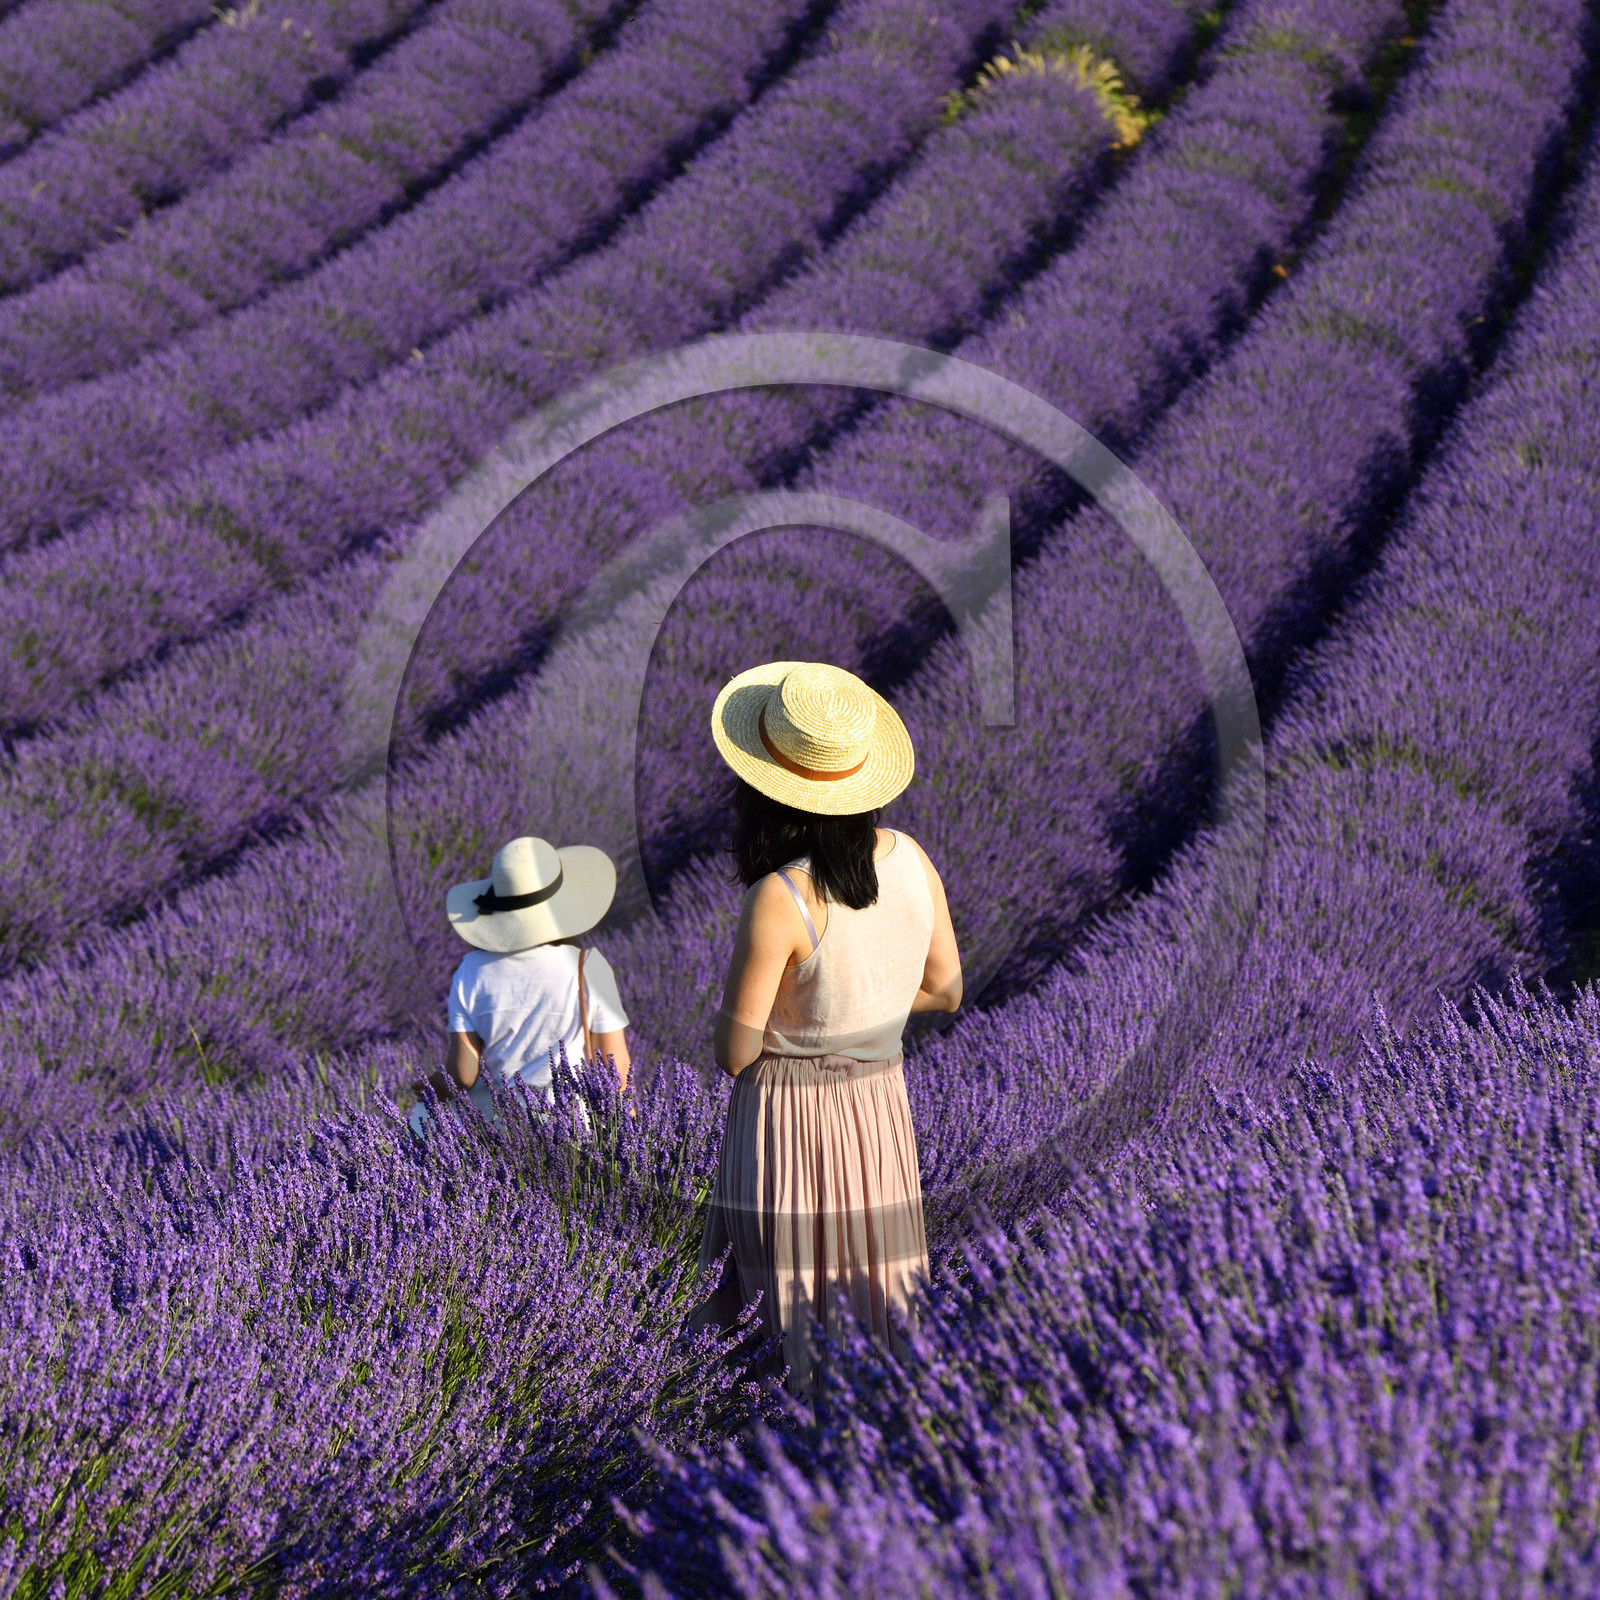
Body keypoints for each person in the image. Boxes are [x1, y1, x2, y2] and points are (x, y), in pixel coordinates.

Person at [692, 661, 962, 1395]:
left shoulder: (780, 897)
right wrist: (858, 1018)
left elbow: (735, 1052)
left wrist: (809, 1025)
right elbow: (945, 988)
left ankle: (775, 1461)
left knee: (778, 1321)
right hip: (879, 1113)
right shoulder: (910, 859)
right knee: (881, 1300)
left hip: (786, 1121)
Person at [407, 835, 630, 1138]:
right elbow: (614, 1071)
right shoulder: (588, 966)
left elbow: (463, 1074)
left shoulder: (471, 971)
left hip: (504, 1132)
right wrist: (629, 1135)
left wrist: (430, 1086)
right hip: (575, 1134)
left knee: (421, 1126)